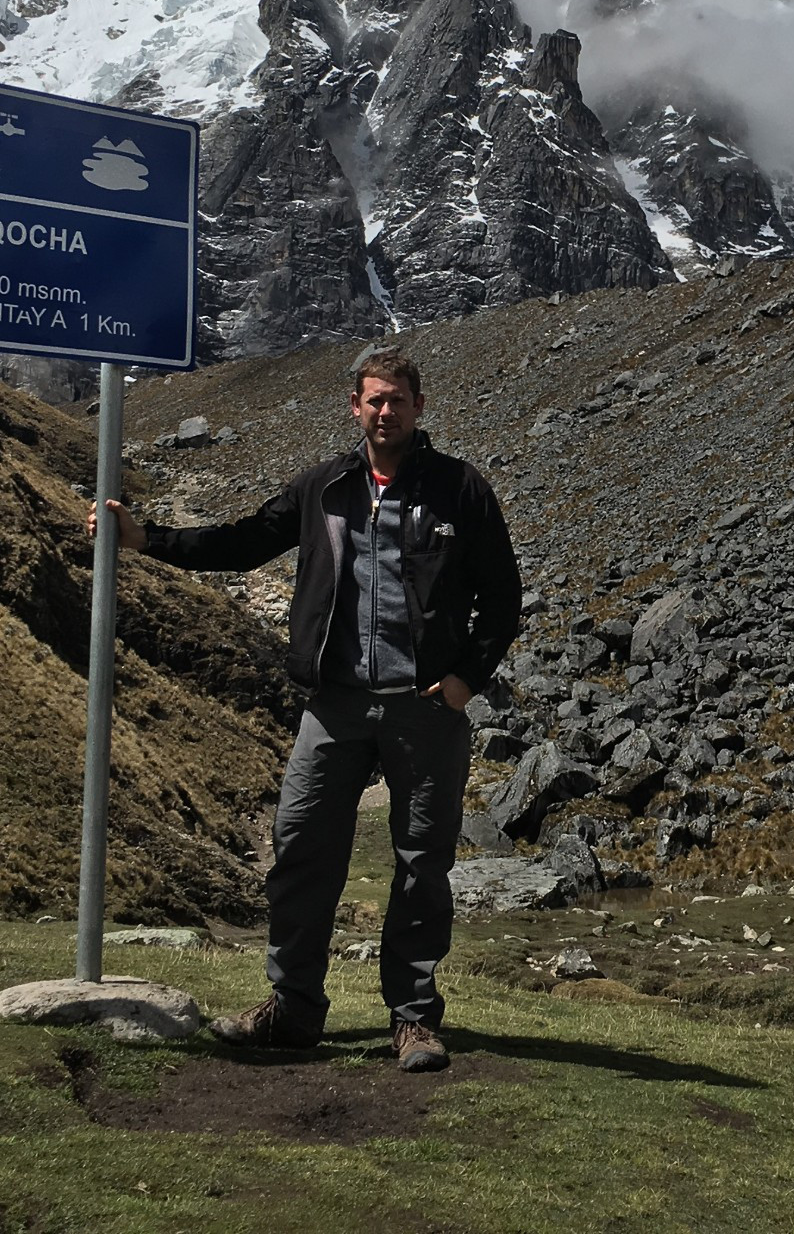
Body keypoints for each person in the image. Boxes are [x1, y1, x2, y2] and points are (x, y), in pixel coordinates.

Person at [89, 350, 519, 1072]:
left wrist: (464, 681)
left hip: (424, 711)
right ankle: (292, 1010)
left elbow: (502, 598)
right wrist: (146, 540)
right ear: (355, 406)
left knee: (421, 866)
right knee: (300, 852)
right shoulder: (324, 487)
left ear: (420, 407)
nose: (388, 412)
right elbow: (244, 541)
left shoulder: (459, 490)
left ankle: (413, 1020)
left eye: (400, 401)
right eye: (375, 401)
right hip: (335, 706)